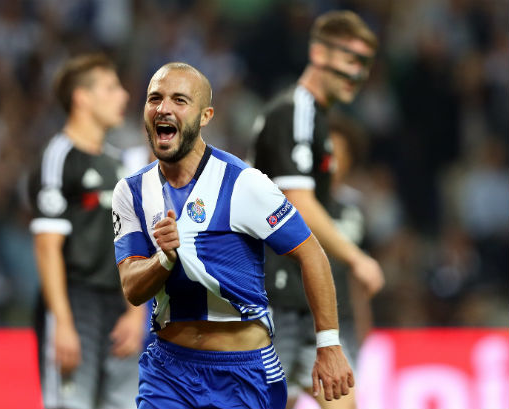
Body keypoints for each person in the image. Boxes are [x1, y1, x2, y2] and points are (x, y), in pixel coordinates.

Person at [111, 62, 353, 409]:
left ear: (205, 115)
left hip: (243, 373)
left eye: (180, 100)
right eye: (155, 98)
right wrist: (164, 259)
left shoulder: (243, 183)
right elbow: (133, 288)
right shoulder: (130, 192)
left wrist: (328, 344)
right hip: (168, 371)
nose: (164, 108)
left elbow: (311, 252)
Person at [253, 11, 385, 409]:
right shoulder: (298, 110)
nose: (357, 73)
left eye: (363, 64)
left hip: (301, 294)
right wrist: (357, 257)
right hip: (273, 294)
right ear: (317, 53)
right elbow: (298, 203)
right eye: (349, 59)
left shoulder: (317, 120)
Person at [28, 53, 144, 409]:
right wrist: (62, 323)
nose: (123, 96)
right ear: (82, 97)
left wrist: (135, 313)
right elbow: (47, 247)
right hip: (75, 303)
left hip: (118, 307)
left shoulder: (119, 164)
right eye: (111, 88)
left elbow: (136, 243)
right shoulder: (59, 157)